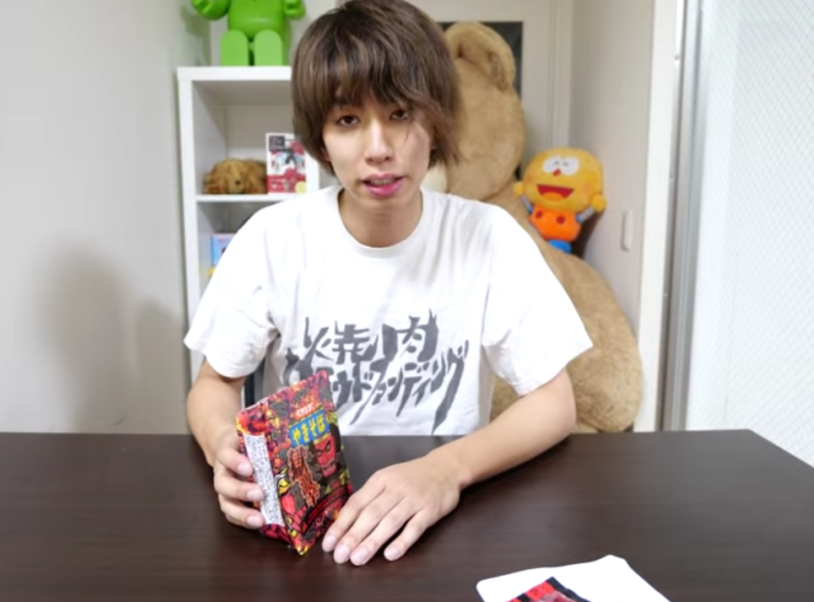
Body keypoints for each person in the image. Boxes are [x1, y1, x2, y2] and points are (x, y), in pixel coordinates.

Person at [184, 0, 593, 567]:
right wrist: (221, 447)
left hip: (447, 522)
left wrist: (446, 470)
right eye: (348, 120)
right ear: (321, 139)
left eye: (400, 113)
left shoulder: (489, 236)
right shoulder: (272, 239)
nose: (378, 148)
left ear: (435, 122)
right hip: (306, 532)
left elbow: (554, 402)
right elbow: (214, 382)